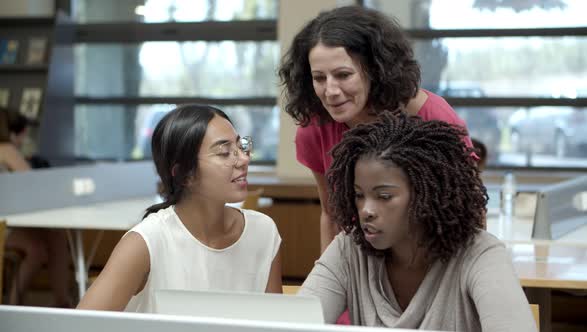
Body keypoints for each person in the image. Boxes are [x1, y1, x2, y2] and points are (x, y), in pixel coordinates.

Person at [298, 112, 536, 331]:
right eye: (359, 195)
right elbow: (293, 325)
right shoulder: (349, 250)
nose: (366, 210)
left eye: (384, 196)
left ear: (427, 196)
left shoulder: (480, 255)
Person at [278, 5, 476, 253]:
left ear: (376, 69)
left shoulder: (434, 117)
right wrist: (327, 282)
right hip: (359, 262)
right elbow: (331, 214)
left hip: (430, 260)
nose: (330, 91)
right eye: (319, 78)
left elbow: (470, 213)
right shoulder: (315, 128)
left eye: (343, 75)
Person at [77, 104, 282, 312]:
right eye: (225, 152)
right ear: (185, 173)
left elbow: (273, 323)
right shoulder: (146, 242)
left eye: (241, 146)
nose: (244, 159)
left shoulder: (263, 231)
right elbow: (79, 326)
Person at [1, 109, 72, 307]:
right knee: (40, 248)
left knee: (54, 237)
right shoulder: (6, 149)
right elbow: (33, 184)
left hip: (8, 222)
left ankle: (61, 301)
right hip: (4, 227)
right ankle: (14, 304)